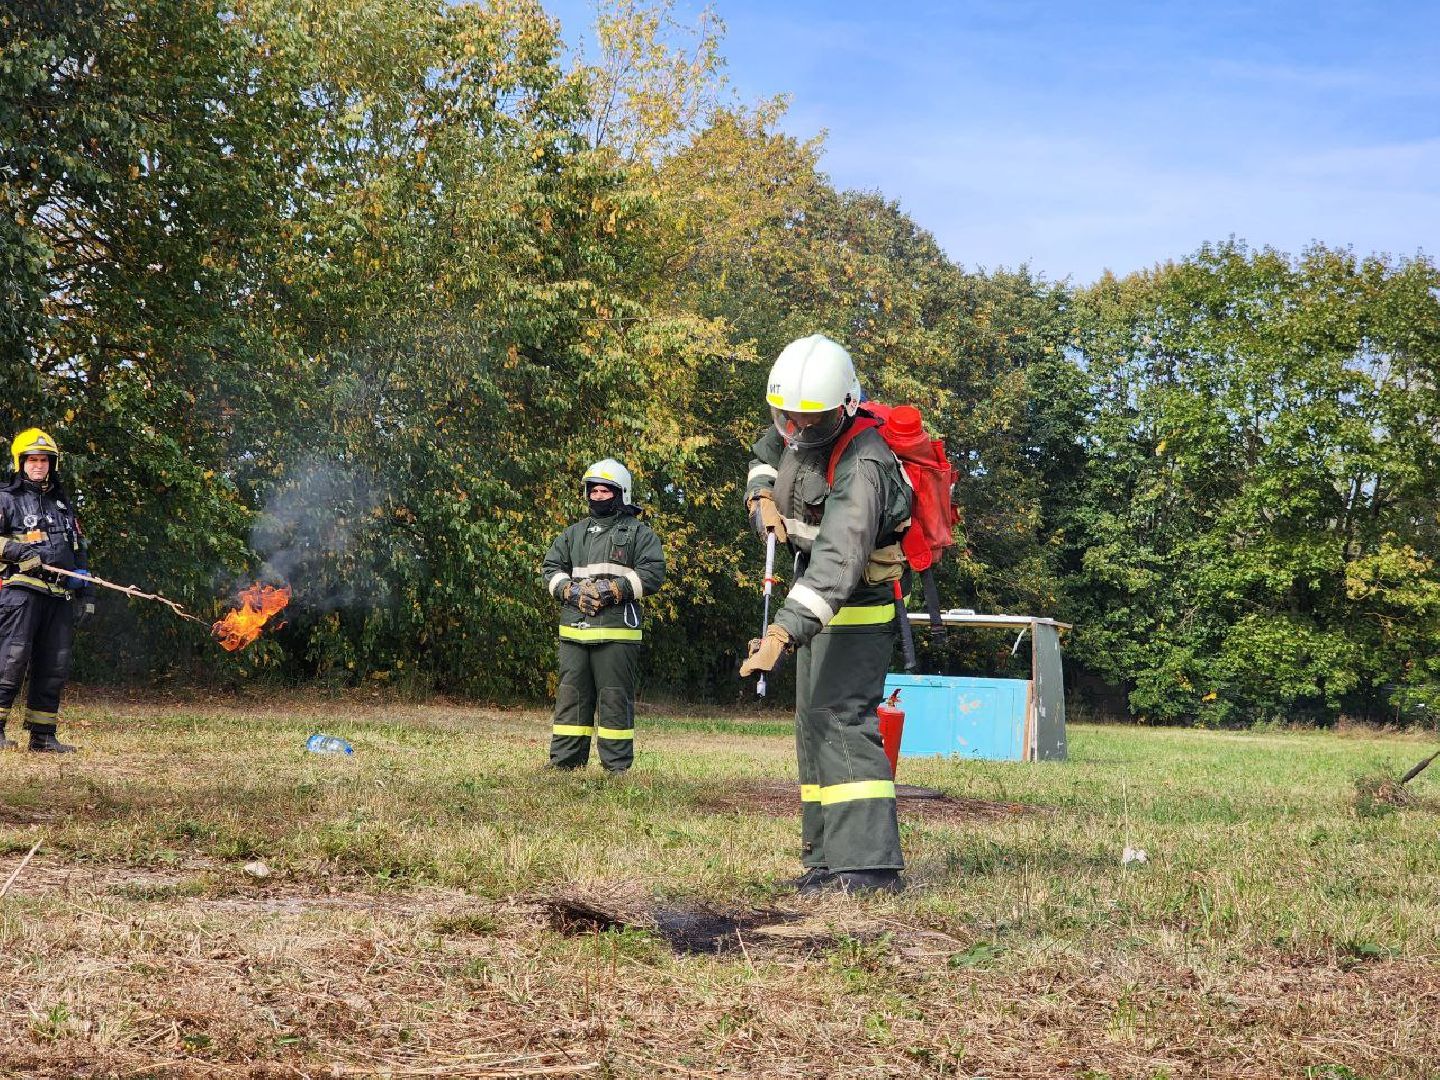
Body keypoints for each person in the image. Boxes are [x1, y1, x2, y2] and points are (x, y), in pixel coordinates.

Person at [741, 335, 912, 895]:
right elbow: (766, 450)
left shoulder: (864, 465)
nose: (794, 429)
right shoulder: (800, 429)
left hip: (854, 605)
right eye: (786, 415)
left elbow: (838, 562)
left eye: (806, 420)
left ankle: (868, 867)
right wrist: (760, 497)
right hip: (811, 602)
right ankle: (825, 859)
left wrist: (782, 633)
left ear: (842, 407)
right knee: (814, 723)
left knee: (842, 718)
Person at [541, 459, 666, 773]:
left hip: (616, 633)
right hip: (574, 631)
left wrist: (615, 590)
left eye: (604, 490)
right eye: (592, 490)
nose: (597, 495)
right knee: (571, 698)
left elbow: (652, 574)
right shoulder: (572, 534)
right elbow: (550, 570)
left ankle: (616, 767)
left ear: (620, 493)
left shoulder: (640, 533)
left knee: (613, 700)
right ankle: (566, 762)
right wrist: (569, 591)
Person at [0, 428, 94, 753]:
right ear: (21, 462)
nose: (38, 465)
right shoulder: (6, 497)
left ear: (52, 464)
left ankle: (42, 736)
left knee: (54, 665)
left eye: (44, 460)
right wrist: (20, 552)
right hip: (20, 593)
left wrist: (86, 590)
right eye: (32, 460)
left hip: (60, 597)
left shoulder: (63, 503)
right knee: (12, 660)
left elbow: (78, 546)